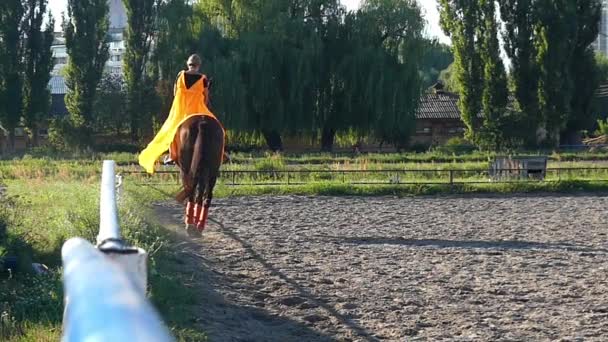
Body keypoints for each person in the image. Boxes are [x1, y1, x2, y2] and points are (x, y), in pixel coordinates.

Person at [139, 54, 225, 174]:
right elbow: (205, 97)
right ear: (199, 65)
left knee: (171, 132)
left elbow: (175, 93)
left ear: (188, 64)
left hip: (181, 110)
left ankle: (171, 155)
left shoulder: (180, 75)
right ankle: (221, 153)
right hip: (198, 109)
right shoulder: (203, 78)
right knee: (219, 128)